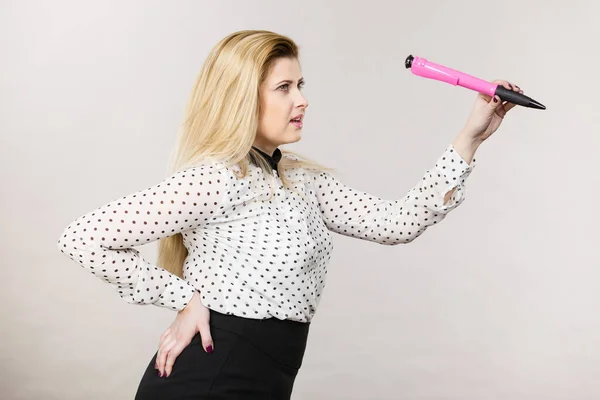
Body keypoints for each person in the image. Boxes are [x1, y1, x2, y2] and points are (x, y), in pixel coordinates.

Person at [56, 29, 524, 399]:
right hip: (211, 379)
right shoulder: (216, 177)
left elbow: (395, 223)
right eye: (284, 87)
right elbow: (83, 238)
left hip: (271, 380)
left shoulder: (301, 179)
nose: (302, 99)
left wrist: (470, 138)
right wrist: (184, 298)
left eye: (300, 84)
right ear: (242, 96)